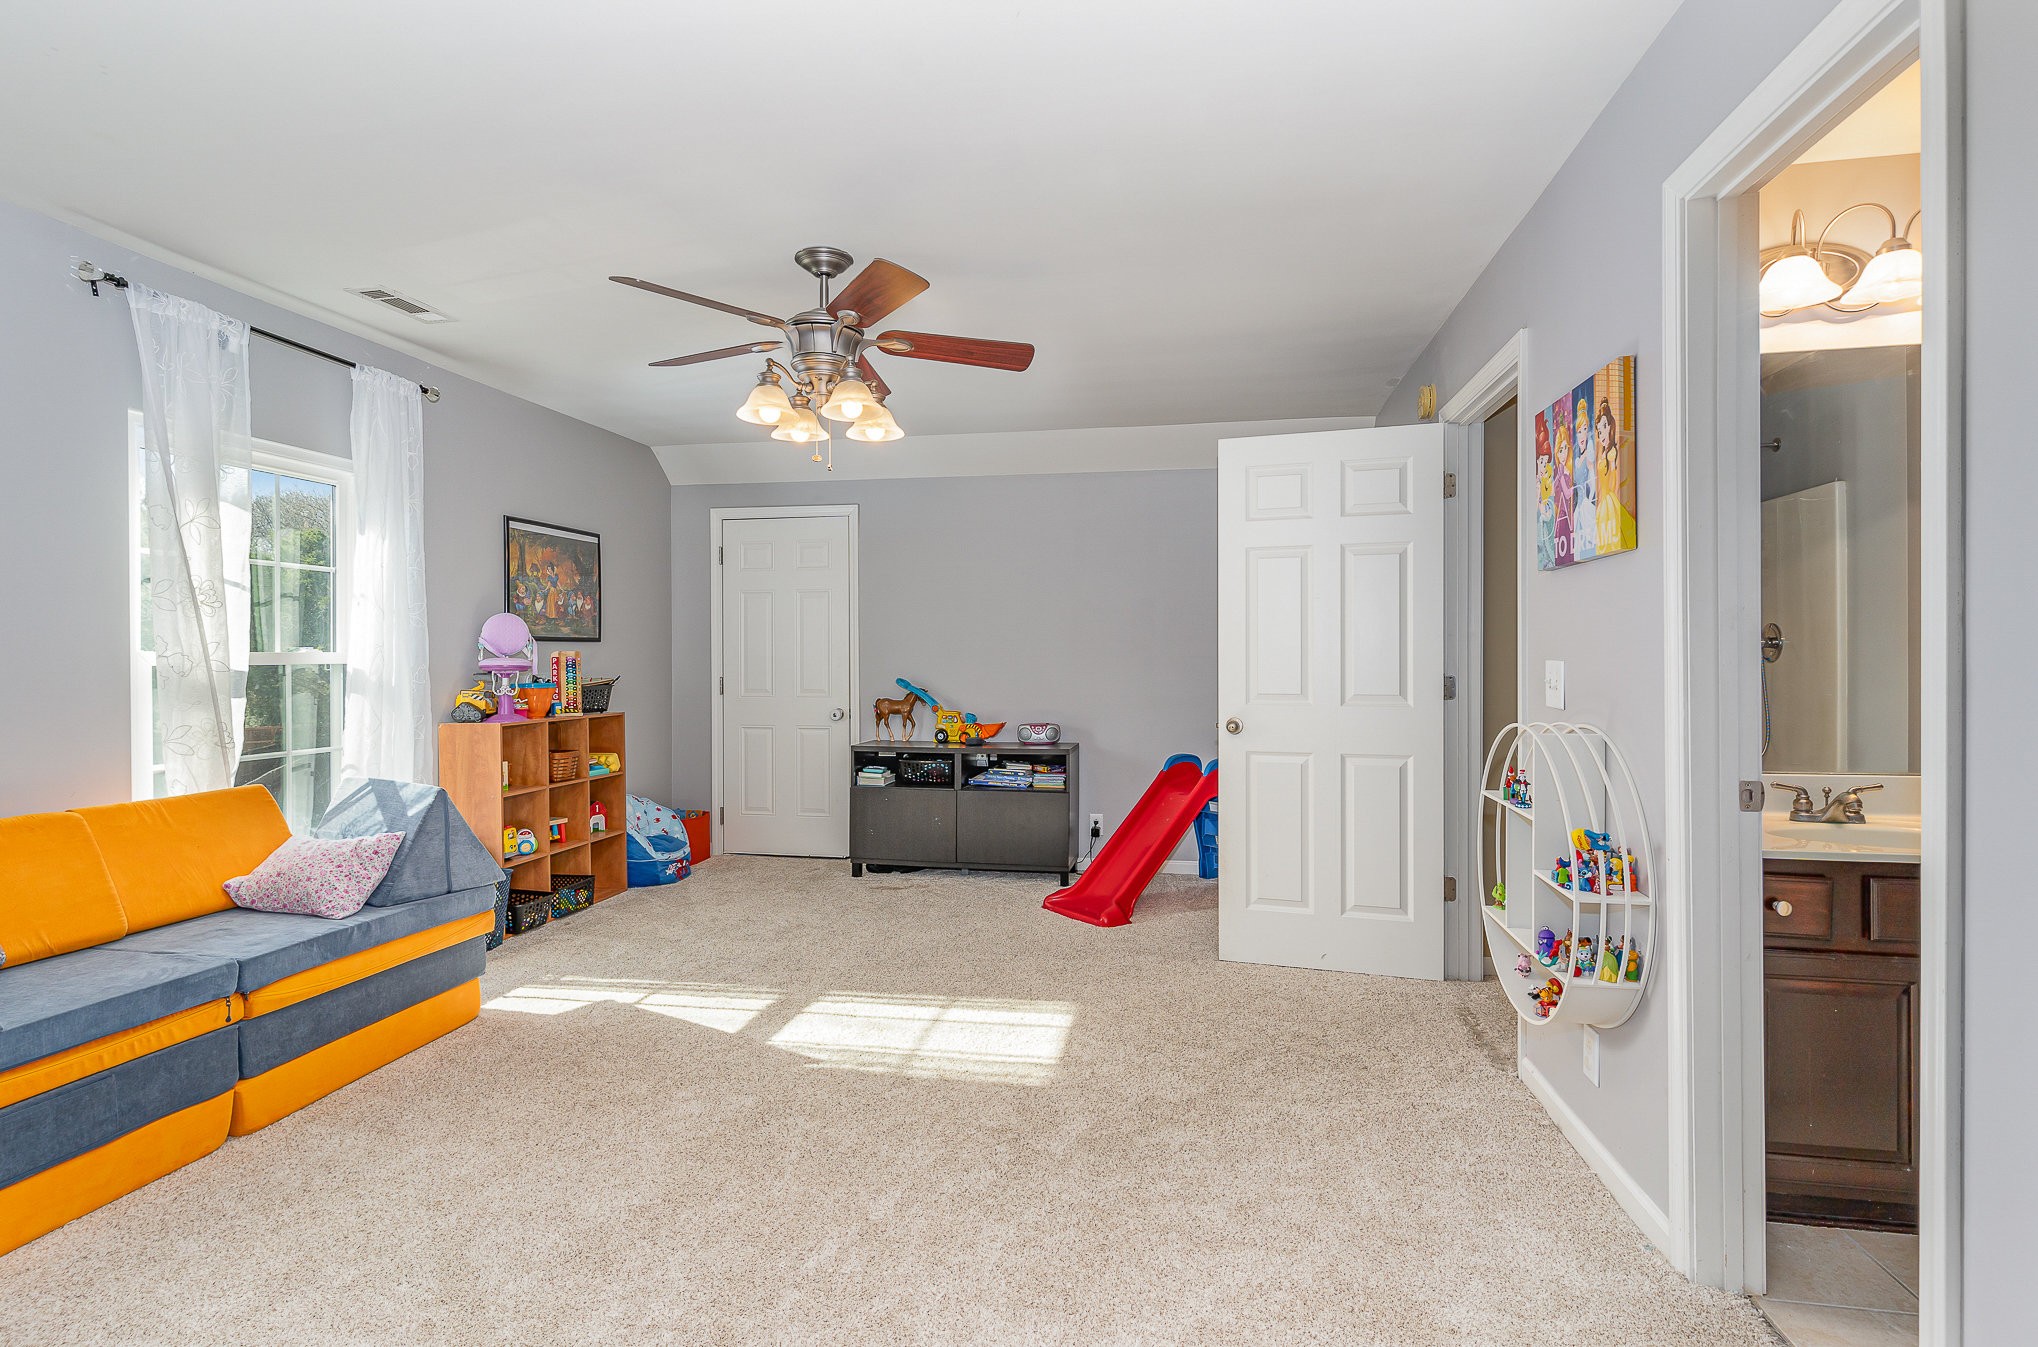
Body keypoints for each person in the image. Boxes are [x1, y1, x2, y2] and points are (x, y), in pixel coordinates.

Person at [1594, 396, 1627, 550]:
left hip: (1609, 499)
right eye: (1599, 432)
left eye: (1604, 428)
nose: (1601, 435)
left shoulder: (1611, 453)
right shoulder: (1602, 454)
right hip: (1603, 500)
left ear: (1610, 427)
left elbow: (1613, 480)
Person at [1569, 392, 1598, 562]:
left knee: (1590, 537)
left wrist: (1591, 496)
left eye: (1584, 429)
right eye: (1579, 431)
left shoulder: (1590, 451)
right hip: (1578, 506)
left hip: (1587, 500)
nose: (1581, 435)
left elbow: (1592, 473)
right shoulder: (1575, 457)